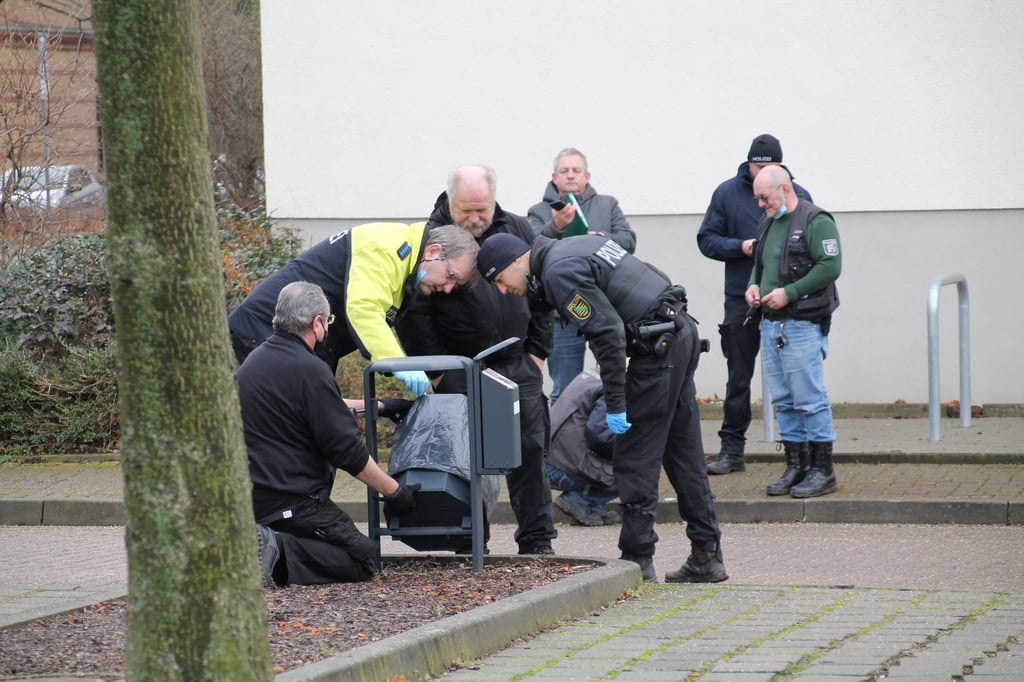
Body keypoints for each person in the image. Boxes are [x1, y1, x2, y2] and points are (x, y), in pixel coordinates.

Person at [475, 232, 727, 584]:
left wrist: (616, 401)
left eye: (500, 280)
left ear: (516, 261)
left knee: (635, 456)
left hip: (655, 351)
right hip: (678, 333)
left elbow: (608, 332)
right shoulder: (577, 245)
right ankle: (706, 554)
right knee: (683, 452)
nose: (504, 290)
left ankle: (637, 560)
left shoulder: (557, 272)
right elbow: (649, 277)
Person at [395, 164, 558, 556]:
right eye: (466, 210)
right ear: (450, 203)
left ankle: (537, 540)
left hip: (518, 362)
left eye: (482, 209)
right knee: (463, 454)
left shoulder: (518, 228)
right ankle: (470, 540)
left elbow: (542, 290)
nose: (475, 218)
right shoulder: (432, 240)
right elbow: (414, 313)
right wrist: (436, 371)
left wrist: (538, 351)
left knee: (530, 450)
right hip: (459, 367)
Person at [238, 281, 421, 586]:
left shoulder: (257, 361)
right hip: (296, 503)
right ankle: (275, 547)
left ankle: (258, 546)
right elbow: (345, 450)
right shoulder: (310, 369)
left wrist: (381, 405)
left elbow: (321, 406)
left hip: (257, 497)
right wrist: (394, 491)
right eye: (329, 322)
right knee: (363, 559)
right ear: (317, 323)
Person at [228, 222, 479, 397]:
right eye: (450, 276)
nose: (447, 288)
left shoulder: (407, 261)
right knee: (294, 433)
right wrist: (401, 365)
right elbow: (364, 309)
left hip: (302, 343)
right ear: (434, 251)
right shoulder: (386, 248)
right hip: (264, 331)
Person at [697, 134, 813, 476]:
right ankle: (732, 450)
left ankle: (800, 454)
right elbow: (706, 240)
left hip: (787, 300)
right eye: (755, 165)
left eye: (767, 166)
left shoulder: (799, 196)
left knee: (793, 378)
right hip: (741, 298)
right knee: (738, 378)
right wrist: (740, 247)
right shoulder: (727, 193)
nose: (759, 172)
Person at [746, 164, 842, 498]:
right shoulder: (768, 222)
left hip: (801, 323)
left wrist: (791, 292)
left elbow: (831, 266)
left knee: (809, 399)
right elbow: (761, 264)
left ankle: (822, 470)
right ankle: (796, 466)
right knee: (784, 401)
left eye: (764, 197)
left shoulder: (816, 221)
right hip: (771, 325)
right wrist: (753, 286)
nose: (760, 204)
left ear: (784, 189)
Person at [527, 148, 637, 404]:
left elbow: (629, 241)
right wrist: (555, 227)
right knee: (565, 388)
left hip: (605, 305)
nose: (570, 176)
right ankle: (560, 443)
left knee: (613, 380)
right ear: (554, 177)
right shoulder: (540, 211)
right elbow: (530, 249)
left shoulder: (607, 205)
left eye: (576, 170)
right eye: (564, 171)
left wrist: (598, 239)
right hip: (562, 312)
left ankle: (605, 438)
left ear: (587, 176)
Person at [546, 367, 619, 527]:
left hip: (549, 458)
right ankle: (581, 500)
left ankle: (590, 505)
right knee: (640, 465)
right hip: (560, 467)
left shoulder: (594, 374)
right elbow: (600, 434)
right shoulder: (615, 386)